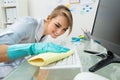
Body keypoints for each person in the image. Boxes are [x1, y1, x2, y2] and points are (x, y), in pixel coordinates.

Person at [0, 5, 73, 78]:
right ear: (48, 18)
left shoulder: (44, 34)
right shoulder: (26, 24)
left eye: (64, 29)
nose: (59, 32)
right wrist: (32, 48)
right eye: (57, 25)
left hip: (16, 69)